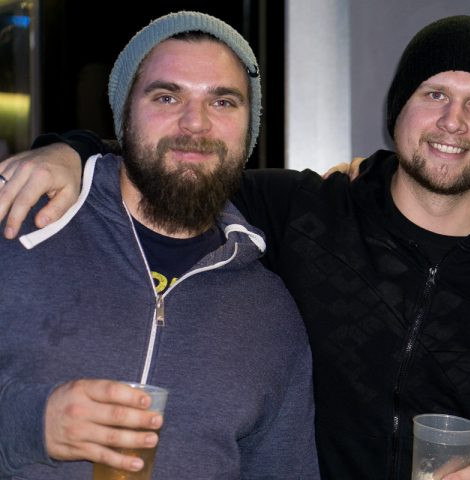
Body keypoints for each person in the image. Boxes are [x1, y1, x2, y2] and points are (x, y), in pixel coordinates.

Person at [0, 16, 470, 480]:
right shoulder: (302, 211)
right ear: (398, 111)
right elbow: (175, 160)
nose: (453, 122)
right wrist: (69, 151)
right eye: (434, 93)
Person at [0, 11, 318, 479]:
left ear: (249, 131)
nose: (196, 123)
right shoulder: (18, 223)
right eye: (167, 96)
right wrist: (27, 425)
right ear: (124, 117)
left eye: (223, 102)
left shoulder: (271, 314)